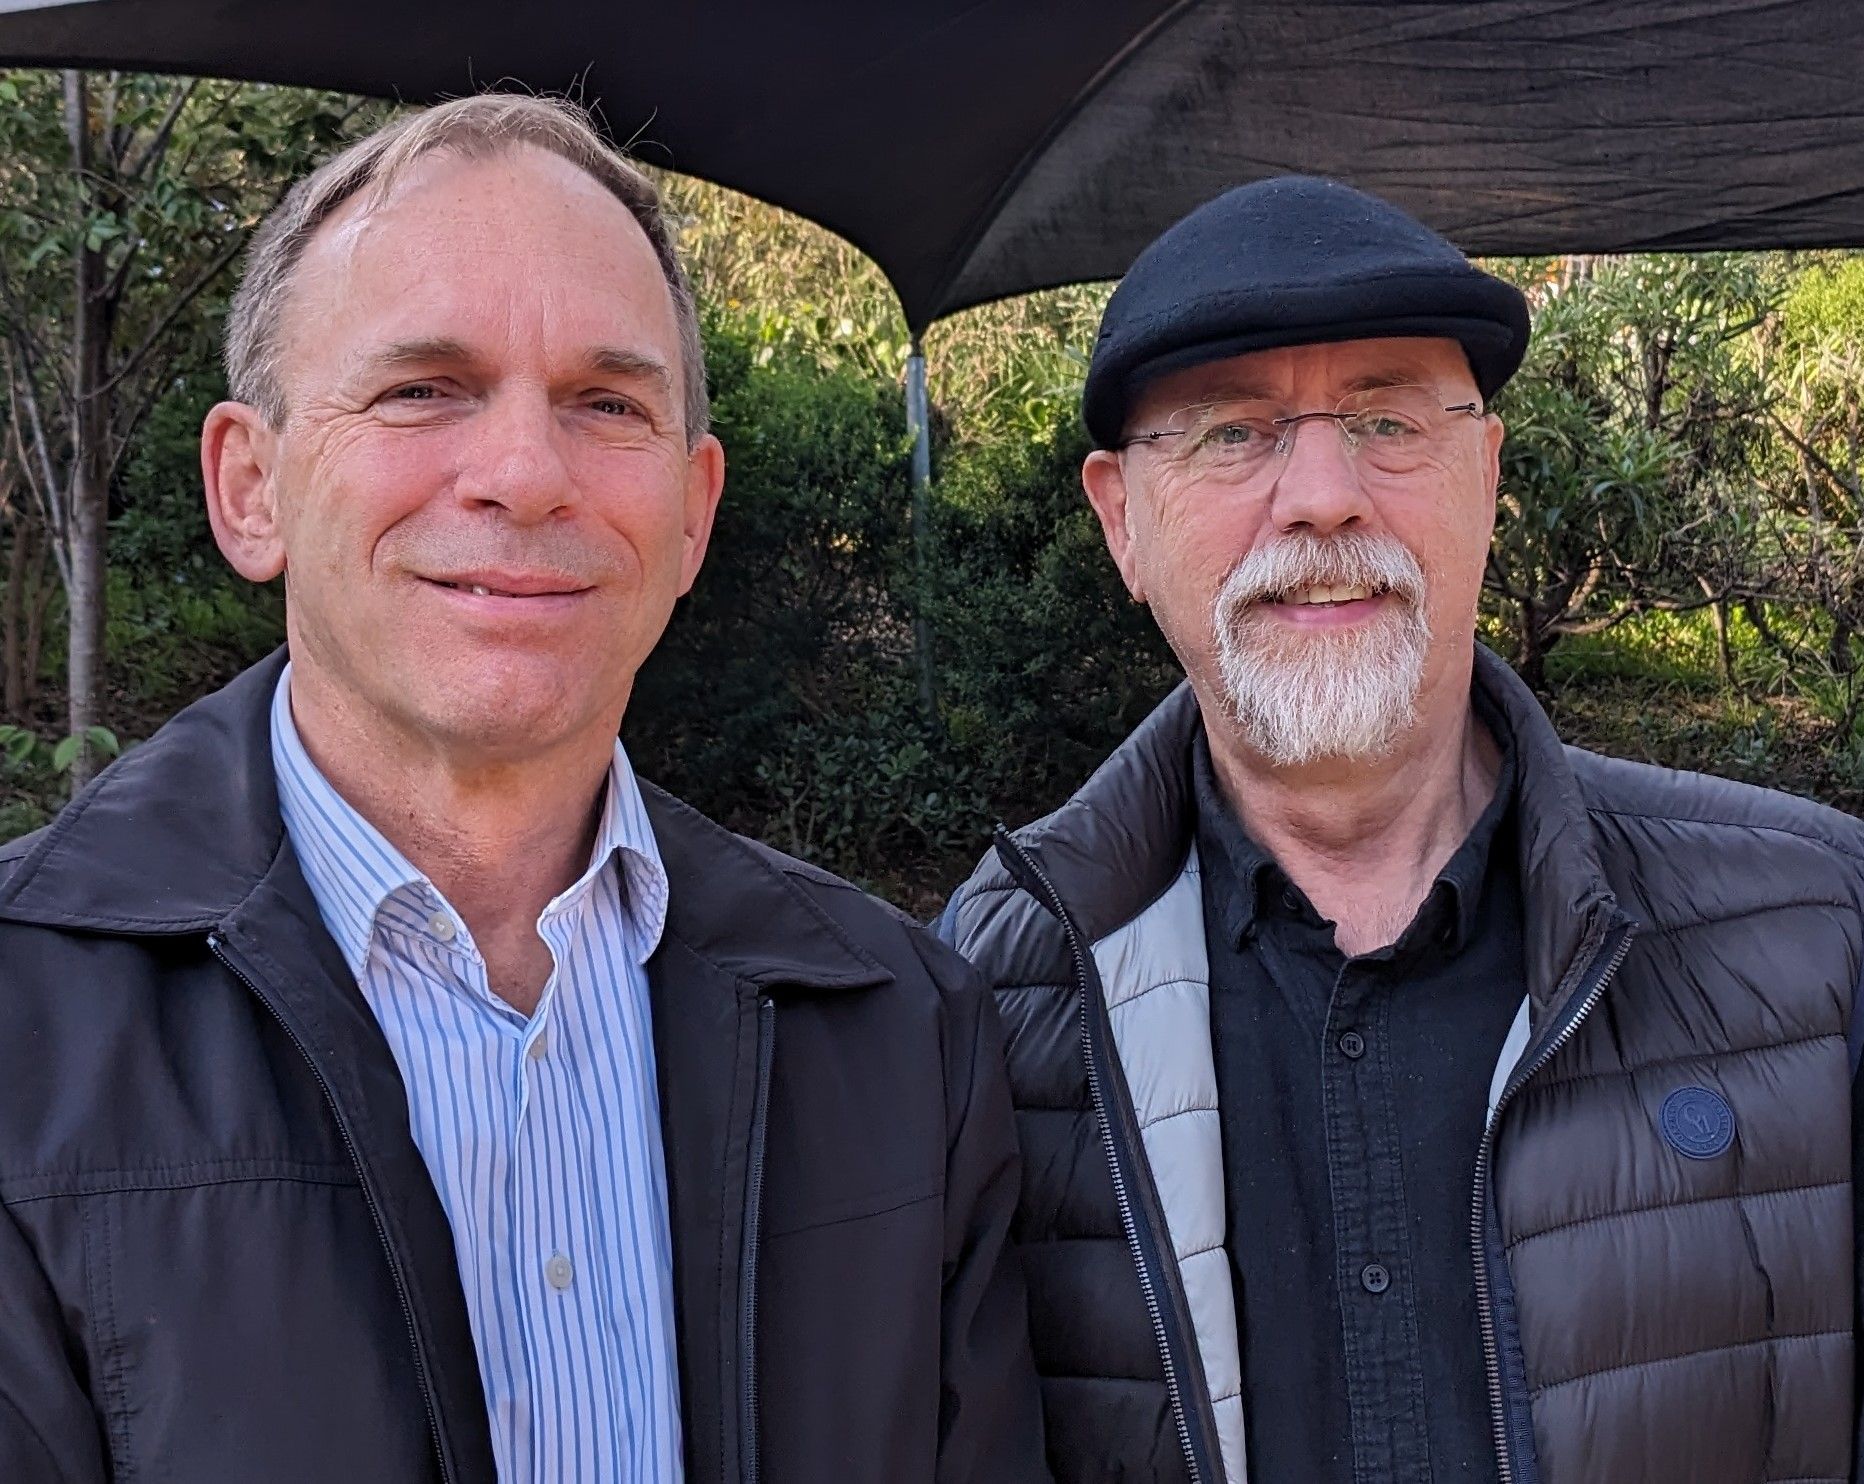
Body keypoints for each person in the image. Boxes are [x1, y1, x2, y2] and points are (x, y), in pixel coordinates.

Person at [0, 94, 1046, 1484]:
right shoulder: (26, 1029)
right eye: (423, 388)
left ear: (693, 512)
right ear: (251, 489)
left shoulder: (903, 1031)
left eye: (606, 404)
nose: (525, 475)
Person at [940, 175, 1864, 1484]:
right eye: (1232, 433)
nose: (1323, 497)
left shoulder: (1819, 938)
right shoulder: (985, 993)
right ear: (1120, 521)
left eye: (1388, 421)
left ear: (1486, 477)